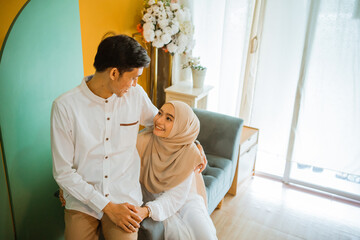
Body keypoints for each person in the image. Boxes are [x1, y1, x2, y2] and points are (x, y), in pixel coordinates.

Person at [51, 34, 159, 240]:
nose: (135, 84)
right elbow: (63, 172)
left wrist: (194, 145)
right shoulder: (64, 107)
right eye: (134, 77)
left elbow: (162, 124)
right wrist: (107, 207)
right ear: (114, 73)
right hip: (83, 201)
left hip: (124, 195)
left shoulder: (136, 96)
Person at [135, 101, 218, 240]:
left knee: (205, 235)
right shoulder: (143, 141)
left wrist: (147, 211)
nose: (159, 120)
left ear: (180, 126)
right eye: (160, 113)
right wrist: (148, 209)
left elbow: (176, 197)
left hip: (186, 201)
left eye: (169, 118)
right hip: (156, 198)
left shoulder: (189, 152)